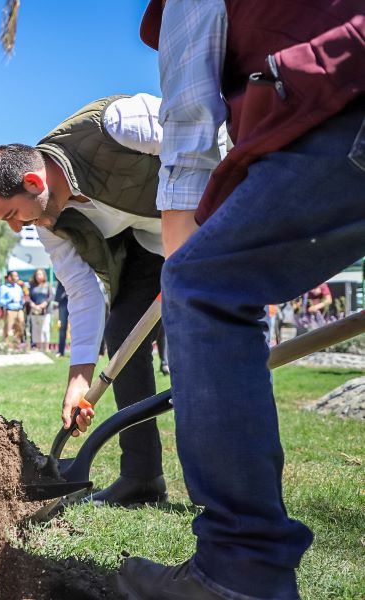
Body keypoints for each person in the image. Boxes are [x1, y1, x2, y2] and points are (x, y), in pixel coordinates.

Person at [113, 3, 365, 598]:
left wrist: (185, 273)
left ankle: (240, 568)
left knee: (202, 286)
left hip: (342, 97)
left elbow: (191, 119)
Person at [0, 93, 219, 504]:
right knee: (123, 333)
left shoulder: (115, 124)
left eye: (11, 214)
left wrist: (206, 225)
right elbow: (83, 293)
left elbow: (205, 142)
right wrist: (78, 383)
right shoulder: (48, 222)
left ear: (33, 183)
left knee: (198, 339)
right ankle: (142, 477)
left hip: (206, 221)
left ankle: (219, 488)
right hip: (148, 246)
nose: (15, 229)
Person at [0, 270, 25, 349]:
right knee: (8, 328)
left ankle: (17, 345)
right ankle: (6, 345)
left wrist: (23, 301)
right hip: (9, 310)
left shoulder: (18, 287)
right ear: (9, 277)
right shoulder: (3, 288)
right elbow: (0, 301)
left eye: (17, 276)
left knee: (20, 327)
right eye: (15, 276)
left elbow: (22, 297)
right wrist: (9, 300)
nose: (17, 278)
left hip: (19, 310)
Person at [27, 268, 53, 350]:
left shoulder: (48, 285)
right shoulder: (31, 286)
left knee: (45, 329)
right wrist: (32, 304)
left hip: (45, 311)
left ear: (44, 275)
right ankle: (38, 347)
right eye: (37, 274)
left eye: (40, 274)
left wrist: (44, 303)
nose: (38, 276)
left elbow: (51, 296)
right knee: (36, 329)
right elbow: (28, 297)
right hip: (35, 310)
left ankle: (46, 347)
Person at [54, 277, 69, 357]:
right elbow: (57, 276)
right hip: (63, 301)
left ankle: (77, 351)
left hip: (75, 298)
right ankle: (61, 351)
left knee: (77, 327)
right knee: (62, 327)